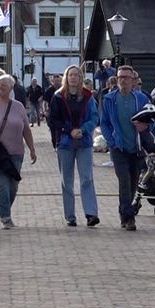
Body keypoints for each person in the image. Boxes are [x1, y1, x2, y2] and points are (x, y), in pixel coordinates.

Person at [0, 75, 37, 229]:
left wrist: (32, 149)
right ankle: (5, 218)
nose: (0, 88)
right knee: (2, 185)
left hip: (16, 152)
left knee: (13, 186)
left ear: (11, 88)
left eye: (3, 85)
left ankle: (5, 208)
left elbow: (26, 130)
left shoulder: (18, 107)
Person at [100, 65, 153, 231]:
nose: (123, 80)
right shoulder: (109, 99)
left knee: (133, 182)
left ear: (133, 80)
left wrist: (145, 127)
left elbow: (153, 120)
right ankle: (129, 218)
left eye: (126, 77)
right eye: (120, 77)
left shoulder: (141, 99)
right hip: (118, 147)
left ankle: (124, 212)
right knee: (124, 180)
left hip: (136, 147)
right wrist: (111, 141)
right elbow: (105, 123)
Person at [48, 65, 100, 227]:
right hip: (65, 142)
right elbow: (53, 120)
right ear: (66, 77)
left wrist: (83, 130)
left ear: (80, 77)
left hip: (84, 142)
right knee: (67, 180)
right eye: (70, 75)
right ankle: (70, 215)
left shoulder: (88, 96)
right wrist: (69, 130)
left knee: (86, 178)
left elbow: (94, 118)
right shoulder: (58, 97)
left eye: (76, 75)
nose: (73, 78)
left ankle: (91, 213)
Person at [42, 74, 62, 149]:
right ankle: (55, 145)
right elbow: (45, 101)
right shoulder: (49, 90)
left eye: (59, 81)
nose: (57, 83)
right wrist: (45, 111)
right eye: (56, 81)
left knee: (60, 129)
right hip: (51, 113)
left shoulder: (63, 90)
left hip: (61, 113)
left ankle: (59, 144)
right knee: (53, 130)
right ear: (53, 81)